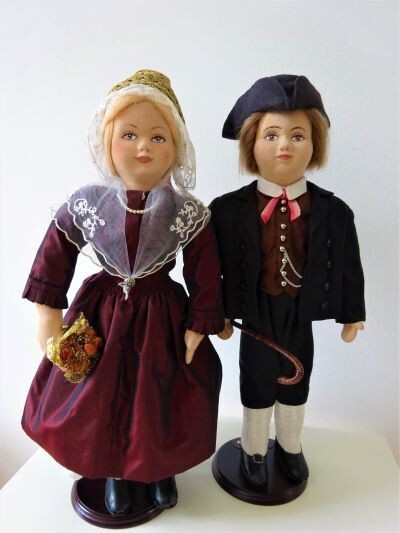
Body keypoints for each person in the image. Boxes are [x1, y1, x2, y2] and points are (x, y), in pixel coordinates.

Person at [22, 69, 224, 515]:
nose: (142, 147)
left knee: (159, 394)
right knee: (100, 395)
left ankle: (158, 470)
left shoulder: (185, 210)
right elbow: (55, 254)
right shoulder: (89, 202)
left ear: (176, 147)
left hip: (162, 315)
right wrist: (47, 311)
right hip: (103, 313)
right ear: (106, 142)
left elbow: (204, 270)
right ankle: (114, 471)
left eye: (158, 137)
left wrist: (201, 320)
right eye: (129, 135)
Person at [210, 74, 365, 487]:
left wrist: (352, 315)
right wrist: (216, 313)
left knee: (299, 376)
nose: (285, 145)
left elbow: (348, 264)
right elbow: (212, 268)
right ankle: (254, 450)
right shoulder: (225, 211)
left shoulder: (334, 212)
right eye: (272, 134)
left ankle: (291, 446)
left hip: (301, 307)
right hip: (254, 311)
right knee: (256, 377)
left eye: (298, 135)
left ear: (314, 145)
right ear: (251, 144)